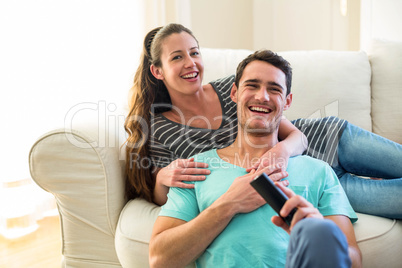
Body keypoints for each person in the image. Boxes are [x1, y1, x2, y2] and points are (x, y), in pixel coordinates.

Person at [124, 23, 402, 219]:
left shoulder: (229, 89)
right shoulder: (158, 127)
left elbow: (299, 137)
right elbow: (161, 196)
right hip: (308, 179)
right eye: (177, 57)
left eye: (194, 52)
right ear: (157, 71)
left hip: (334, 140)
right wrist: (162, 178)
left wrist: (279, 152)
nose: (191, 63)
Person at [149, 50, 362, 267]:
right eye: (252, 85)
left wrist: (324, 239)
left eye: (274, 89)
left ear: (287, 101)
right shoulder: (196, 169)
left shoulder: (319, 171)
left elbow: (354, 261)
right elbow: (159, 259)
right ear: (234, 93)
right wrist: (228, 204)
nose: (262, 96)